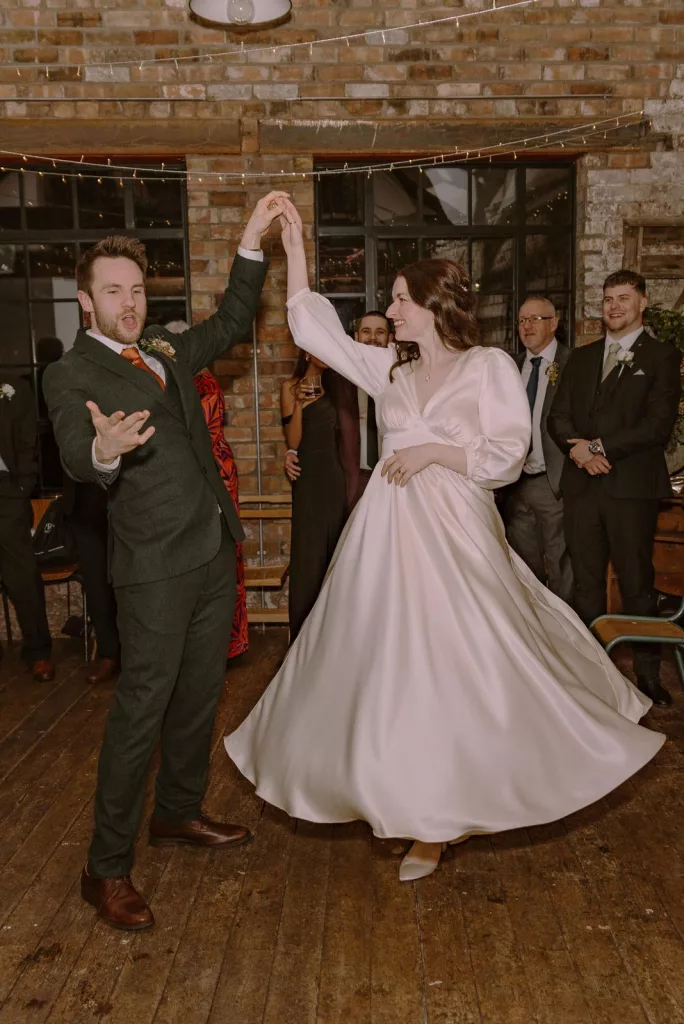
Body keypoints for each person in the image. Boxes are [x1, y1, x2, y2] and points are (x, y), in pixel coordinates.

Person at [225, 200, 664, 884]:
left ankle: (462, 801)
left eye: (402, 299)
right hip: (387, 537)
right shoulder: (390, 372)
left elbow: (508, 455)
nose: (391, 310)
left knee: (466, 667)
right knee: (395, 671)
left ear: (434, 306)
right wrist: (296, 245)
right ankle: (418, 812)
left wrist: (433, 450)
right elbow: (312, 328)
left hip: (458, 534)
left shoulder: (487, 366)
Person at [43, 191, 286, 932]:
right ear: (87, 302)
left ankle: (177, 812)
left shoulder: (165, 350)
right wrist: (102, 450)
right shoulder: (70, 373)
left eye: (137, 290)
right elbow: (75, 450)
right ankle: (105, 868)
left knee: (199, 695)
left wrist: (252, 241)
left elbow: (232, 320)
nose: (130, 303)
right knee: (140, 712)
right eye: (114, 291)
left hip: (212, 551)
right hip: (152, 568)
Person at [548, 269, 681, 708]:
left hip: (631, 489)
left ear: (642, 302)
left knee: (636, 581)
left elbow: (657, 425)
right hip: (582, 487)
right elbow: (557, 416)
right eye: (608, 298)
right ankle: (593, 672)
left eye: (624, 297)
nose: (614, 306)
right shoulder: (581, 357)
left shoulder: (662, 356)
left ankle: (648, 675)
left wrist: (598, 446)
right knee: (585, 583)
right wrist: (579, 453)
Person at [166, 320, 249, 660]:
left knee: (216, 553)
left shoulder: (197, 382)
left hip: (212, 472)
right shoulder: (187, 379)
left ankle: (217, 642)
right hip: (211, 468)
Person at [280, 351, 354, 641]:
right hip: (308, 478)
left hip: (333, 477)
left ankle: (333, 638)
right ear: (307, 352)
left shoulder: (337, 386)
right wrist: (299, 404)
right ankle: (301, 637)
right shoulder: (289, 387)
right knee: (307, 556)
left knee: (334, 551)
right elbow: (293, 441)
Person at [503, 297, 573, 604]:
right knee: (522, 566)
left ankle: (565, 627)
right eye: (522, 321)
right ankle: (532, 627)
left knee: (561, 565)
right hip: (514, 483)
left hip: (554, 481)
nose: (527, 326)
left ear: (554, 323)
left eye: (535, 319)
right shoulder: (510, 366)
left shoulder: (573, 363)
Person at [284, 310, 393, 505]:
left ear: (390, 338)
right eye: (366, 331)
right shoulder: (336, 378)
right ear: (356, 337)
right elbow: (317, 421)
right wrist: (293, 452)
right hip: (350, 480)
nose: (373, 338)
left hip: (392, 476)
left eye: (380, 332)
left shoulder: (402, 377)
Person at [0, 375, 55, 681]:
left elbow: (27, 439)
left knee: (20, 574)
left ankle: (38, 651)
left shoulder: (13, 388)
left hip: (6, 491)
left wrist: (23, 486)